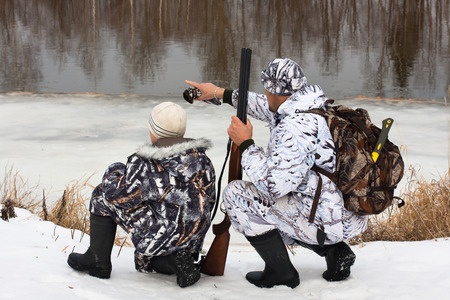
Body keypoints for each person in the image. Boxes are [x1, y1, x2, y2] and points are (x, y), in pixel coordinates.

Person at [185, 58, 368, 289]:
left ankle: (280, 272)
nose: (264, 92)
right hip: (338, 211)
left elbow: (272, 186)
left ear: (272, 89)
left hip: (327, 220)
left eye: (266, 87)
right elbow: (262, 105)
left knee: (237, 196)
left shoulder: (294, 128)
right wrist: (217, 93)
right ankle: (335, 252)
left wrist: (246, 144)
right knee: (281, 205)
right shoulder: (308, 106)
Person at [67, 101, 216, 288]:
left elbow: (116, 195)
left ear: (153, 131)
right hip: (192, 241)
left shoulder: (147, 163)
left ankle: (97, 261)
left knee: (101, 195)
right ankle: (177, 260)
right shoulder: (203, 160)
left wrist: (115, 170)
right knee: (144, 262)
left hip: (163, 237)